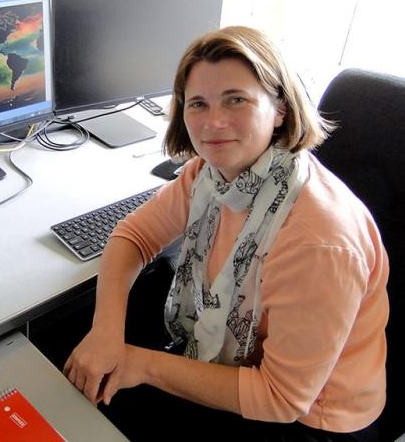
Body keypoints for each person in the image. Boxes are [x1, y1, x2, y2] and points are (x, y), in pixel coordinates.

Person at [63, 26, 389, 441]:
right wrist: (105, 333)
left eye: (236, 99)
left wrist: (140, 364)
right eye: (198, 103)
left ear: (281, 109)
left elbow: (281, 399)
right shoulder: (213, 175)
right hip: (235, 361)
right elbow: (134, 236)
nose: (213, 123)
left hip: (311, 418)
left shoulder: (318, 242)